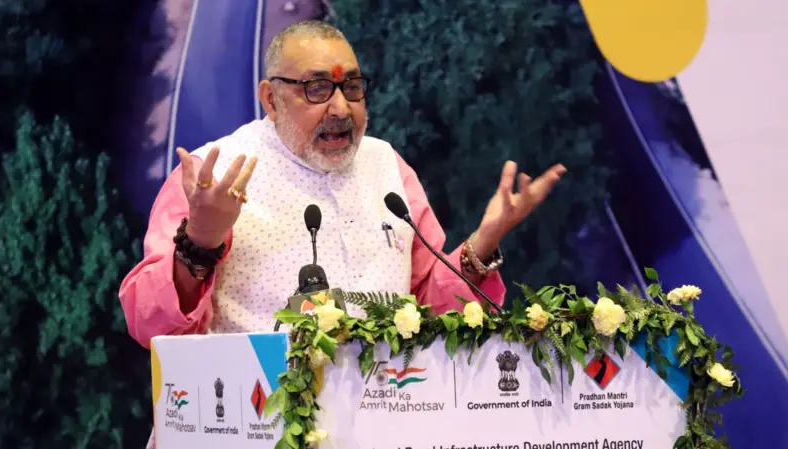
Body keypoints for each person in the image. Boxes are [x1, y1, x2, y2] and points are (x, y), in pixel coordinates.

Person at [118, 20, 566, 349]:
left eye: (351, 87)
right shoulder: (210, 178)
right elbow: (152, 328)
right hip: (255, 422)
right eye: (316, 88)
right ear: (271, 99)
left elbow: (430, 311)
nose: (340, 108)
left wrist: (485, 240)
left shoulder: (387, 166)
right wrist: (199, 241)